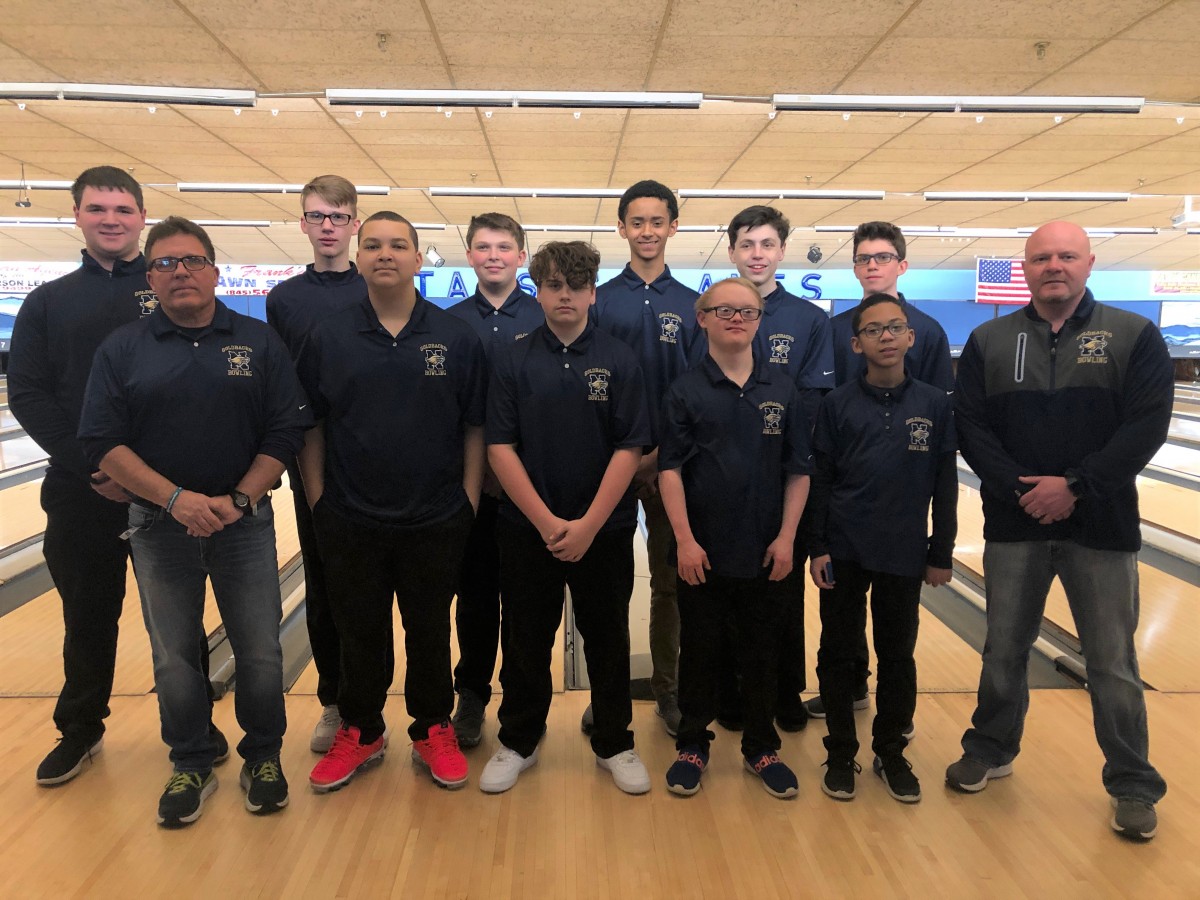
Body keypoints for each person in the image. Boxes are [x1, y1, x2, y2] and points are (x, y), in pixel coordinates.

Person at [78, 216, 309, 827]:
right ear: (150, 277)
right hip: (158, 527)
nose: (179, 271)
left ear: (214, 270)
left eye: (191, 261)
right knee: (175, 654)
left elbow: (286, 430)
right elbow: (102, 440)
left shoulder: (258, 342)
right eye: (164, 263)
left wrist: (235, 500)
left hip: (245, 524)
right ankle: (192, 759)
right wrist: (177, 499)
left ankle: (263, 756)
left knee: (259, 650)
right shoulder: (123, 348)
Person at [946, 221, 1172, 842]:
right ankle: (991, 748)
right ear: (1024, 267)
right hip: (1014, 525)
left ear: (1089, 263)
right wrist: (1024, 491)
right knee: (1002, 650)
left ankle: (1132, 782)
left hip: (1101, 526)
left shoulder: (1133, 335)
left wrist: (1073, 486)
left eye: (1066, 256)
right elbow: (971, 427)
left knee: (1112, 661)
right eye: (1041, 257)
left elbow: (1146, 426)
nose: (1054, 266)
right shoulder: (991, 339)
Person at [9, 167, 226, 786]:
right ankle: (80, 729)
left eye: (123, 209)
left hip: (168, 495)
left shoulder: (173, 287)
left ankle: (193, 727)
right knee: (88, 616)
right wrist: (93, 465)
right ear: (76, 214)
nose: (112, 219)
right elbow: (27, 392)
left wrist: (163, 484)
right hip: (82, 491)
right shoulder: (48, 300)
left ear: (140, 216)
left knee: (178, 619)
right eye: (98, 208)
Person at [298, 212, 486, 793]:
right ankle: (362, 730)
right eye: (373, 245)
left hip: (435, 516)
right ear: (358, 258)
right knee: (359, 630)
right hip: (351, 515)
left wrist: (468, 501)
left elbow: (475, 426)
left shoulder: (457, 337)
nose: (386, 254)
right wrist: (319, 500)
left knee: (429, 628)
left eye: (398, 245)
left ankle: (433, 726)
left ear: (417, 258)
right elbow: (311, 426)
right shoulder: (328, 336)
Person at [480, 241, 651, 795]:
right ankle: (519, 741)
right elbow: (500, 447)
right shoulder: (512, 358)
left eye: (575, 286)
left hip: (605, 529)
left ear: (592, 293)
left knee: (608, 637)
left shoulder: (622, 358)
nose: (565, 296)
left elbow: (630, 449)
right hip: (528, 530)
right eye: (553, 285)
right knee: (525, 637)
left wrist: (588, 525)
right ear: (539, 290)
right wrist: (548, 523)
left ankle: (614, 742)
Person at [660, 277, 811, 799]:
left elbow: (798, 470)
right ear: (700, 319)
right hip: (702, 549)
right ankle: (692, 746)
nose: (736, 318)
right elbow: (670, 470)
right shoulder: (684, 389)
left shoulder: (783, 389)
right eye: (723, 310)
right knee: (699, 651)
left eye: (747, 311)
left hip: (767, 551)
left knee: (762, 653)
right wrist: (683, 539)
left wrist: (789, 537)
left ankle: (760, 746)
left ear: (759, 321)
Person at [806, 294, 957, 804]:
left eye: (895, 328)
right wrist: (818, 547)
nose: (886, 337)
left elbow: (945, 482)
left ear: (911, 337)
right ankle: (841, 752)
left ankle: (890, 750)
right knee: (838, 650)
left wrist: (941, 551)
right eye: (874, 330)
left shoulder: (935, 404)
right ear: (857, 343)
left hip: (903, 550)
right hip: (844, 548)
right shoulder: (836, 404)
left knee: (898, 654)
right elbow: (821, 480)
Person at [705, 205, 833, 733]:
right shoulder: (717, 308)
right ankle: (731, 695)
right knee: (729, 589)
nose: (756, 254)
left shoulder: (809, 319)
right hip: (724, 474)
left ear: (781, 251)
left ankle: (783, 692)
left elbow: (812, 401)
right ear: (732, 251)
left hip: (785, 473)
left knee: (781, 590)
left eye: (766, 245)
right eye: (746, 244)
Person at [265, 174, 371, 754]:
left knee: (375, 589)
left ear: (354, 224)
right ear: (303, 224)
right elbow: (281, 388)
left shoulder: (377, 289)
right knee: (326, 584)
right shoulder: (284, 300)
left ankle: (371, 702)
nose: (328, 226)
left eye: (338, 216)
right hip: (313, 461)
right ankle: (333, 700)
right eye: (317, 216)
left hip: (374, 460)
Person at [591, 179, 699, 736]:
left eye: (658, 221)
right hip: (607, 466)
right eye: (638, 222)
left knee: (669, 584)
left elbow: (700, 393)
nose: (648, 231)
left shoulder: (693, 306)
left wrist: (659, 459)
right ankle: (607, 692)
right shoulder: (601, 300)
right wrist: (623, 460)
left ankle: (669, 690)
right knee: (606, 588)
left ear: (673, 227)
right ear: (622, 228)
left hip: (671, 469)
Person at [445, 213, 543, 748]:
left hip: (533, 488)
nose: (493, 255)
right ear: (469, 255)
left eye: (504, 246)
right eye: (482, 246)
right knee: (476, 598)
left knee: (526, 603)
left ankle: (523, 701)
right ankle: (473, 695)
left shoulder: (545, 316)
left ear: (521, 256)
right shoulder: (452, 324)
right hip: (476, 489)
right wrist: (472, 481)